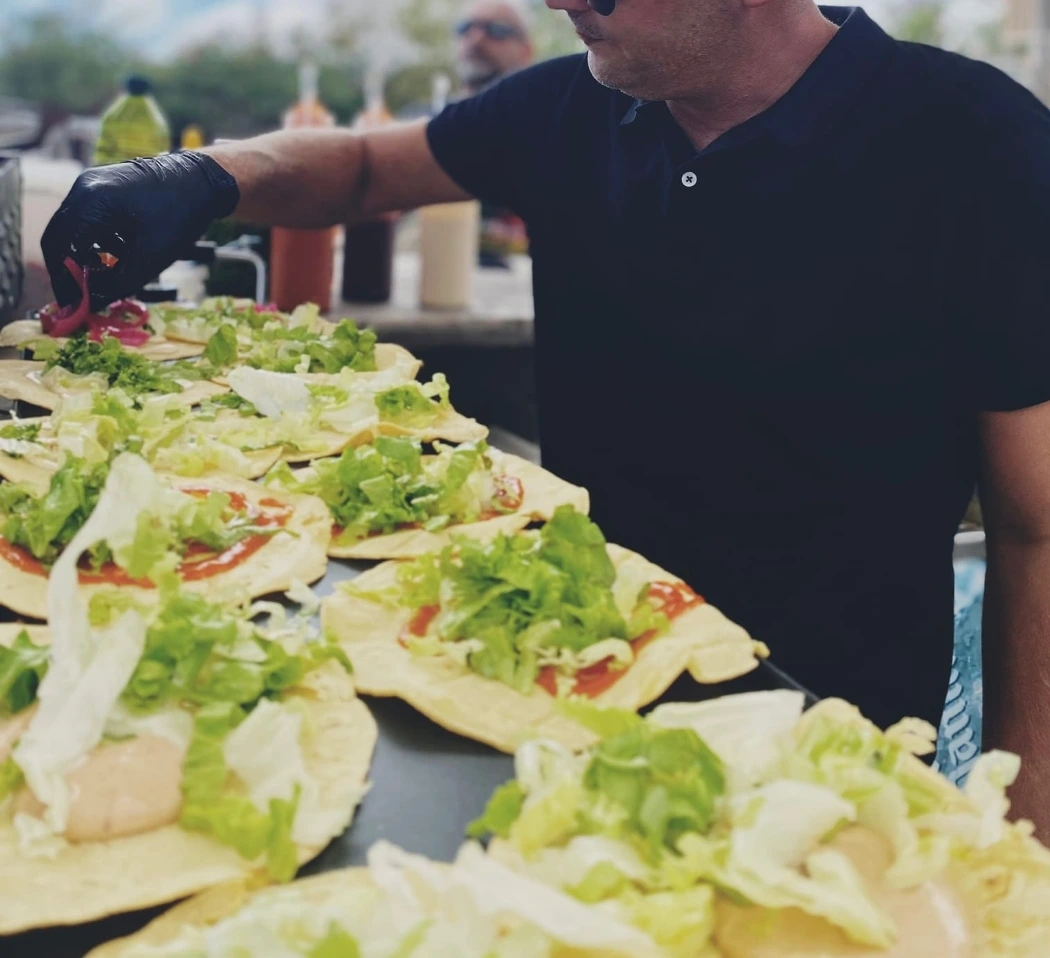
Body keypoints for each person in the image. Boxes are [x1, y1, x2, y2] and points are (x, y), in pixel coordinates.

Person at [43, 1, 1050, 835]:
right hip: (538, 688)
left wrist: (1024, 838)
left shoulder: (973, 140)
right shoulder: (574, 104)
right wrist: (214, 176)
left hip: (819, 751)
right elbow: (361, 165)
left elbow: (1034, 524)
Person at [454, 0, 534, 267]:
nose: (476, 38)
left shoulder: (550, 128)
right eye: (466, 28)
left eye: (496, 30)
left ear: (526, 51)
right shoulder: (419, 119)